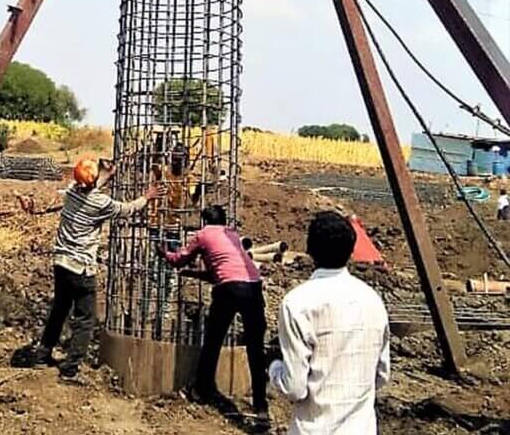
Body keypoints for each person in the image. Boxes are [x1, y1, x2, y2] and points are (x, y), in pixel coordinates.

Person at [19, 156, 163, 382]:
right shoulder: (100, 203)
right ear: (95, 179)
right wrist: (146, 197)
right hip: (81, 268)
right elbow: (126, 209)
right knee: (85, 318)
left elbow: (90, 184)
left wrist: (105, 174)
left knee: (59, 309)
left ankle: (42, 355)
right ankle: (70, 368)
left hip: (61, 263)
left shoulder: (71, 192)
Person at [268, 211, 390, 435]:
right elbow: (381, 375)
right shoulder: (372, 300)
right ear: (352, 250)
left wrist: (274, 367)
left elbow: (294, 388)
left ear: (310, 250)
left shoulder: (297, 303)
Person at [159, 204, 268, 419]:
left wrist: (164, 254)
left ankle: (201, 389)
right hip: (254, 286)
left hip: (228, 289)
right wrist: (193, 274)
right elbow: (221, 272)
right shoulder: (231, 235)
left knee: (213, 341)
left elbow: (180, 258)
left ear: (204, 221)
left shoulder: (203, 234)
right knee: (256, 348)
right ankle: (261, 406)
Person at [146, 142, 201, 339]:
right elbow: (153, 164)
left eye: (181, 157)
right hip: (156, 224)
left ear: (185, 159)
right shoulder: (163, 171)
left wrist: (200, 190)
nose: (177, 160)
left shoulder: (188, 177)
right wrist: (155, 150)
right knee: (152, 268)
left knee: (170, 269)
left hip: (174, 228)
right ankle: (147, 308)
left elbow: (194, 198)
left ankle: (165, 310)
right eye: (175, 156)